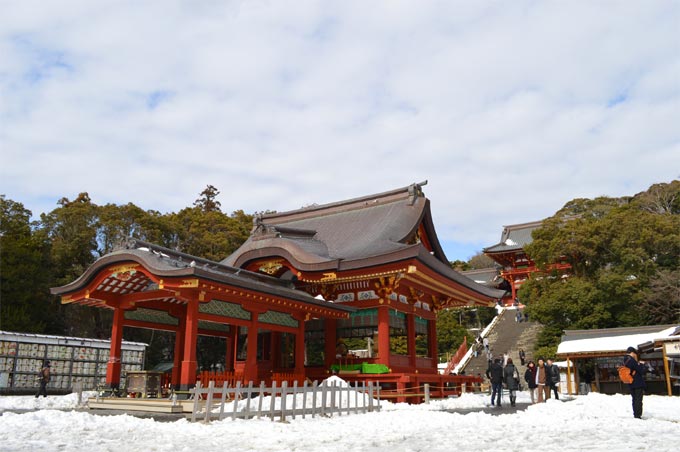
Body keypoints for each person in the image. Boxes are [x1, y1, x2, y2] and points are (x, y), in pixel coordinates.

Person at [623, 346, 647, 419]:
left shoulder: (625, 360)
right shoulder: (631, 360)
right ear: (632, 353)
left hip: (630, 382)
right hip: (637, 382)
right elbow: (641, 371)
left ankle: (635, 413)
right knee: (638, 399)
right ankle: (638, 415)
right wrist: (642, 364)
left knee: (634, 399)